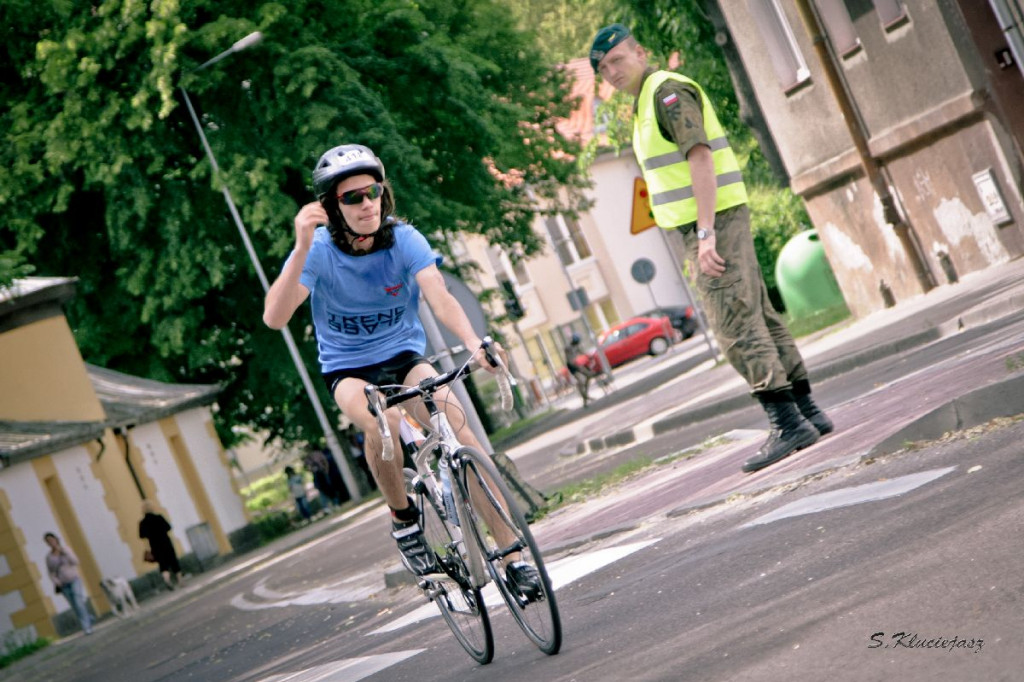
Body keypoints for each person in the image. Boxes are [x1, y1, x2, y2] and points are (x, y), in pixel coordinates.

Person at [263, 144, 540, 598]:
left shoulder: (405, 238)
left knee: (458, 430)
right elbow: (275, 318)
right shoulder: (317, 252)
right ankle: (404, 519)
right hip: (349, 370)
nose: (366, 202)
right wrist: (298, 246)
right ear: (333, 207)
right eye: (352, 197)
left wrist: (475, 343)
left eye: (371, 192)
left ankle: (513, 557)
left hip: (405, 359)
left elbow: (439, 295)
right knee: (384, 423)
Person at [590, 24, 833, 473]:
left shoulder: (666, 93)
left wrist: (705, 235)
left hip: (713, 220)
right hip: (716, 218)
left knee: (733, 322)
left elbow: (699, 156)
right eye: (603, 68)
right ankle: (807, 412)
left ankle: (787, 422)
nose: (611, 72)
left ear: (640, 53)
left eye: (617, 60)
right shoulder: (645, 102)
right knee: (757, 313)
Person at [44, 532, 93, 635]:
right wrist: (56, 582)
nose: (51, 542)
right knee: (74, 605)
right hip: (63, 584)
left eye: (52, 540)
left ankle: (86, 627)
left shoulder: (66, 549)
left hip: (74, 579)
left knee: (78, 602)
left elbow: (75, 562)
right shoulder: (49, 557)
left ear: (56, 539)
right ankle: (88, 618)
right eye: (48, 541)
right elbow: (51, 572)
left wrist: (65, 552)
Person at [139, 501, 184, 590]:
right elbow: (168, 527)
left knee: (163, 564)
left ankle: (167, 579)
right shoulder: (159, 517)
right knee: (173, 561)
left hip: (155, 546)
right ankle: (180, 581)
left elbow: (141, 535)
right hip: (166, 542)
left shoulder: (143, 522)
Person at [563, 333, 598, 406]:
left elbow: (582, 352)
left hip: (576, 364)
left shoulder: (576, 347)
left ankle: (585, 396)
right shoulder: (568, 347)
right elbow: (570, 355)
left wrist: (589, 357)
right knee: (581, 381)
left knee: (589, 375)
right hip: (572, 365)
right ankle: (584, 395)